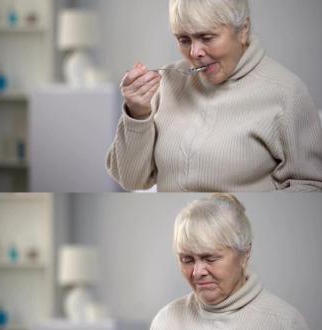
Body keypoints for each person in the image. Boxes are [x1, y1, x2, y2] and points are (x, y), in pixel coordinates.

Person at [107, 0, 322, 191]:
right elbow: (130, 180)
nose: (194, 52)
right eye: (184, 39)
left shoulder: (287, 93)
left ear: (243, 30)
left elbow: (312, 185)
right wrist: (137, 113)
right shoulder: (168, 83)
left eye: (206, 37)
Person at [134, 194, 322, 330]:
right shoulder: (165, 321)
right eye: (187, 259)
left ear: (244, 254)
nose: (197, 272)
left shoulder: (285, 326)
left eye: (210, 258)